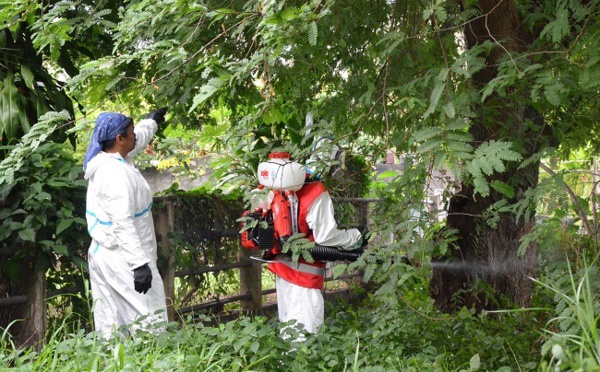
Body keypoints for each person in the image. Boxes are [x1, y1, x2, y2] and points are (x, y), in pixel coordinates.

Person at [83, 108, 168, 339]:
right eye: (130, 133)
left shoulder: (114, 157)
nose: (135, 137)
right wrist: (139, 265)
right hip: (123, 256)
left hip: (109, 252)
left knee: (111, 322)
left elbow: (138, 138)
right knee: (147, 318)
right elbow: (122, 223)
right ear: (119, 139)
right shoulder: (114, 175)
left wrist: (152, 122)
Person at [264, 155, 363, 340]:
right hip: (305, 274)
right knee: (306, 335)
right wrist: (353, 238)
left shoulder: (282, 186)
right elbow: (325, 236)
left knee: (289, 328)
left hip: (284, 269)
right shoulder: (317, 190)